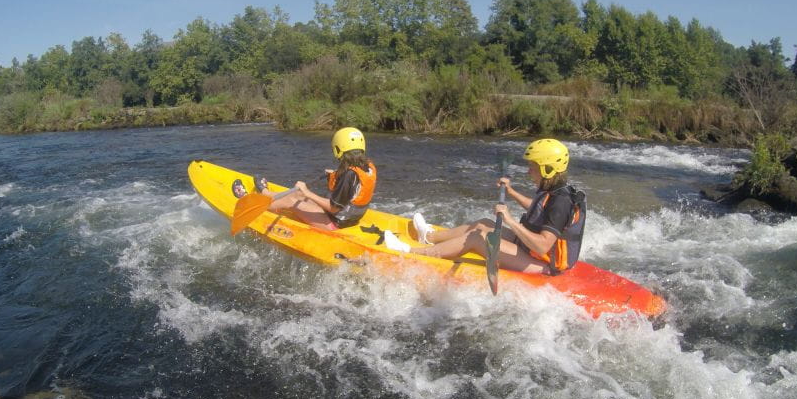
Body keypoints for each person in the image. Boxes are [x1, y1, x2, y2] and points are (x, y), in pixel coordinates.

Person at [384, 138, 586, 275]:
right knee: (482, 224)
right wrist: (512, 192)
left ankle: (411, 253)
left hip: (543, 264)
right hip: (531, 250)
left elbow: (543, 245)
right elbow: (539, 210)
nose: (528, 171)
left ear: (547, 169)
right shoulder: (555, 190)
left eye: (532, 167)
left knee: (477, 238)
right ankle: (428, 237)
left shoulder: (561, 202)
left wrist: (509, 221)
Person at [237, 127, 377, 231]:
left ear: (338, 148)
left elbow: (333, 208)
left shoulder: (349, 175)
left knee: (293, 200)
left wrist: (307, 192)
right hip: (347, 219)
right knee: (297, 194)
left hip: (335, 224)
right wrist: (335, 175)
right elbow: (354, 187)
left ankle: (254, 205)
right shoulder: (367, 166)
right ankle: (267, 194)